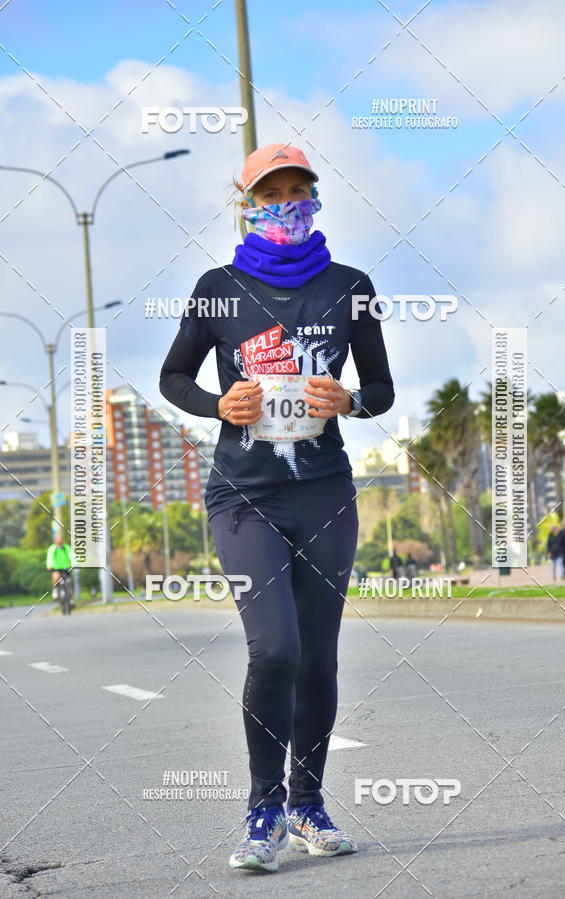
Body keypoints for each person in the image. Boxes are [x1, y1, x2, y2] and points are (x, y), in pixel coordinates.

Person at [159, 143, 394, 872]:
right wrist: (217, 402)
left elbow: (382, 389)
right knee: (277, 649)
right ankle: (263, 812)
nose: (287, 203)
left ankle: (308, 804)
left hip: (325, 492)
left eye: (299, 190)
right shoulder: (217, 288)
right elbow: (172, 375)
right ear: (248, 202)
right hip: (244, 495)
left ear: (316, 198)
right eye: (272, 193)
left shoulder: (351, 286)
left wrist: (350, 400)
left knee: (318, 658)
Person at [46, 532, 73, 604]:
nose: (59, 540)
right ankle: (55, 589)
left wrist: (75, 563)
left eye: (61, 538)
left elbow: (71, 555)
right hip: (56, 567)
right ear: (55, 540)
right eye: (58, 538)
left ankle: (70, 600)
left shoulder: (66, 547)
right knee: (56, 577)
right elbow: (50, 557)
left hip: (66, 567)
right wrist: (49, 565)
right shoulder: (52, 548)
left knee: (68, 583)